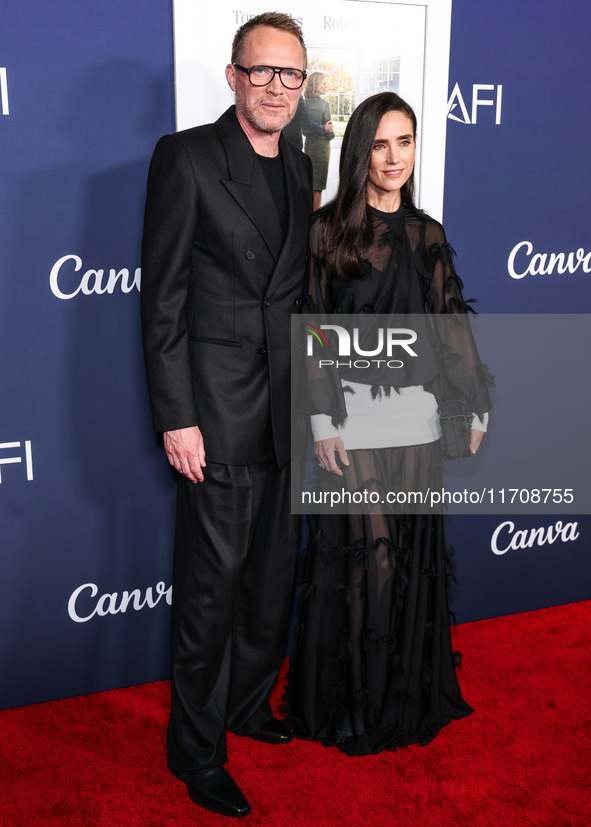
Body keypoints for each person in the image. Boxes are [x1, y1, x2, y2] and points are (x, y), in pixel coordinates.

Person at [140, 12, 313, 818]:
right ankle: (196, 749)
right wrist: (177, 415)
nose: (276, 87)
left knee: (269, 583)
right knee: (210, 593)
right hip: (215, 416)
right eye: (262, 71)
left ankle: (247, 704)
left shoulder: (302, 165)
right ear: (234, 74)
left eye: (291, 75)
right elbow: (164, 297)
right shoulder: (187, 156)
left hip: (289, 413)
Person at [284, 92, 492, 756]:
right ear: (359, 151)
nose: (394, 158)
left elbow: (449, 326)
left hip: (416, 424)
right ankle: (355, 708)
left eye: (404, 142)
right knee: (365, 563)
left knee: (406, 562)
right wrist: (321, 417)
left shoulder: (426, 234)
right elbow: (312, 328)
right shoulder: (325, 232)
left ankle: (406, 697)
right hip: (350, 426)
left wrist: (472, 404)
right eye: (380, 144)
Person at [303, 72, 335, 210]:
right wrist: (330, 133)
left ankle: (307, 217)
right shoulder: (324, 104)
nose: (326, 86)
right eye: (323, 83)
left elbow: (305, 129)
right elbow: (329, 130)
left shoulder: (303, 104)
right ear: (316, 85)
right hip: (322, 149)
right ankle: (315, 219)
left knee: (309, 185)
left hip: (309, 147)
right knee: (318, 188)